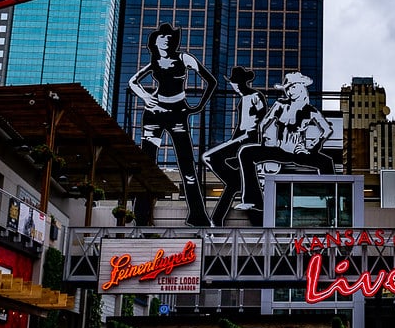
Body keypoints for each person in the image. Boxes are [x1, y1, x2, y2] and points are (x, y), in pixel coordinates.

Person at [129, 23, 217, 226]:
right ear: (155, 42)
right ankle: (140, 217)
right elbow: (133, 81)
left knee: (187, 167)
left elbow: (210, 81)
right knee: (147, 166)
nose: (166, 39)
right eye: (162, 36)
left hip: (178, 113)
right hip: (154, 114)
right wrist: (145, 97)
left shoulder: (184, 57)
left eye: (169, 36)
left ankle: (197, 215)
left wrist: (197, 107)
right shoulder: (154, 61)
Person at [235, 72, 334, 211]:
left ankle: (332, 203)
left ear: (301, 87)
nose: (289, 91)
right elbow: (264, 123)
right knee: (246, 153)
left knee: (326, 162)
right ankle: (252, 200)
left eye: (292, 87)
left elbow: (327, 129)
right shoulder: (280, 105)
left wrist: (313, 147)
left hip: (298, 152)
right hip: (279, 150)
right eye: (287, 88)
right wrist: (265, 142)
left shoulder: (310, 110)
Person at [203, 66, 267, 224]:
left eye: (235, 82)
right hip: (240, 138)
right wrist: (233, 140)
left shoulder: (255, 96)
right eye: (232, 82)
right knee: (213, 162)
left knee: (209, 156)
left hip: (249, 138)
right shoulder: (243, 99)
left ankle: (236, 184)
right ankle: (236, 183)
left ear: (241, 82)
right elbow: (240, 124)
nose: (234, 86)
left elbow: (264, 117)